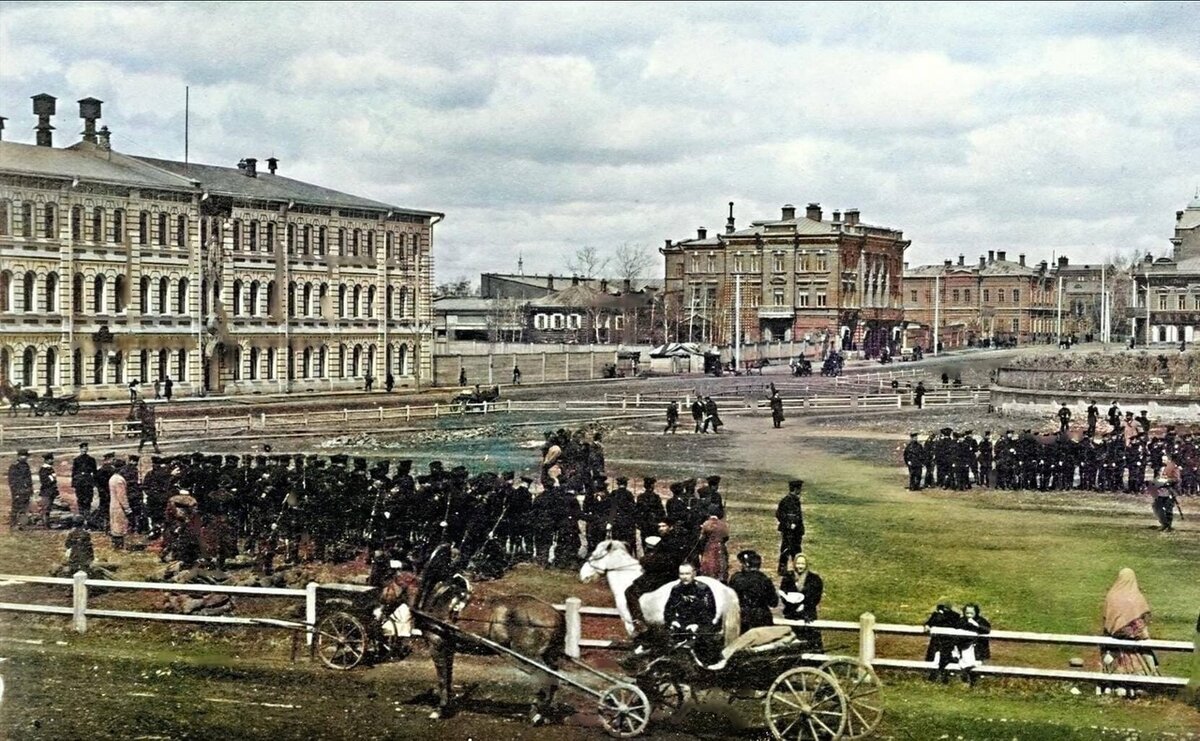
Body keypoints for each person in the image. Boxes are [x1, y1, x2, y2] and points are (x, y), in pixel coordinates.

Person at [1101, 568, 1160, 680]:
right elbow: (1141, 626)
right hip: (1135, 643)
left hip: (1114, 641)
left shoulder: (1111, 596)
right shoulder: (1137, 598)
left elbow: (1106, 619)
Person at [664, 563, 721, 665]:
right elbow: (669, 609)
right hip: (683, 623)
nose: (684, 577)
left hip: (701, 624)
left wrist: (697, 625)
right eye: (681, 574)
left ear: (694, 574)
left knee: (705, 642)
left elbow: (710, 611)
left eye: (687, 574)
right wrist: (673, 620)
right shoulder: (676, 589)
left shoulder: (703, 589)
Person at [779, 553, 823, 649]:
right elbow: (783, 594)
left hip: (807, 615)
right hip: (791, 614)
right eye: (798, 564)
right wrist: (792, 604)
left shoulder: (814, 579)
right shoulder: (788, 577)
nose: (800, 566)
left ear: (806, 564)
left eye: (802, 564)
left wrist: (805, 606)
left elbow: (816, 597)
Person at [728, 550, 778, 633]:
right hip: (762, 618)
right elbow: (774, 603)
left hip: (743, 619)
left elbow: (730, 600)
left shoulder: (736, 578)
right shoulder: (764, 579)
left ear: (746, 564)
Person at [923, 602, 962, 683]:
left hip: (948, 641)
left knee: (945, 658)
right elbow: (929, 623)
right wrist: (927, 625)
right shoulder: (936, 615)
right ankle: (932, 677)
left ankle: (943, 677)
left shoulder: (954, 616)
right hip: (937, 641)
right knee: (933, 658)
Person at [775, 480, 805, 575]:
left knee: (795, 550)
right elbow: (779, 514)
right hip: (789, 531)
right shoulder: (787, 501)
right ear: (796, 489)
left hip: (796, 531)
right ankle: (783, 568)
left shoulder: (795, 500)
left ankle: (796, 568)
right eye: (799, 489)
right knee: (787, 549)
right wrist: (788, 524)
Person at [958, 603, 992, 686]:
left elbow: (987, 630)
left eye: (971, 613)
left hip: (978, 649)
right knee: (964, 666)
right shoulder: (961, 621)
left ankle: (974, 685)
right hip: (965, 648)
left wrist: (976, 625)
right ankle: (965, 684)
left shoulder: (981, 621)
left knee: (975, 666)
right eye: (967, 613)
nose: (969, 615)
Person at [697, 508, 729, 581]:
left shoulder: (707, 523)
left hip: (709, 547)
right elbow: (726, 537)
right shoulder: (723, 524)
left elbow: (702, 537)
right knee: (721, 563)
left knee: (710, 564)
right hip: (721, 546)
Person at [8, 449, 34, 530]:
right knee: (16, 508)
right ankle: (13, 524)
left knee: (25, 508)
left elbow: (29, 479)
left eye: (26, 456)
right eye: (23, 455)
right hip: (18, 490)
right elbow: (12, 480)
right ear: (19, 456)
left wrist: (30, 489)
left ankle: (22, 525)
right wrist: (15, 491)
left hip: (26, 490)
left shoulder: (26, 465)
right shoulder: (14, 466)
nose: (25, 457)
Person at [108, 460, 132, 550]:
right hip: (119, 507)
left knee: (115, 526)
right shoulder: (119, 480)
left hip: (113, 505)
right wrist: (127, 508)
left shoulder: (112, 478)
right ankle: (119, 547)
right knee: (119, 528)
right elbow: (122, 496)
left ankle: (116, 546)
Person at [71, 442, 97, 517]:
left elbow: (94, 471)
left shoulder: (91, 459)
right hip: (79, 482)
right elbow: (74, 472)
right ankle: (81, 514)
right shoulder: (76, 460)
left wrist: (94, 483)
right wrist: (74, 483)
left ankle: (87, 514)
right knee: (80, 498)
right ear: (80, 449)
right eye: (83, 448)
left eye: (86, 448)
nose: (84, 450)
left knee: (88, 498)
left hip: (88, 481)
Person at [37, 452, 57, 528]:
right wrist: (52, 480)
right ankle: (45, 525)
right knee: (45, 509)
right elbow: (46, 481)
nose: (53, 461)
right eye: (51, 459)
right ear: (47, 460)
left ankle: (47, 524)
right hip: (46, 492)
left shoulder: (50, 469)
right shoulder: (43, 470)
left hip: (51, 492)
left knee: (48, 508)